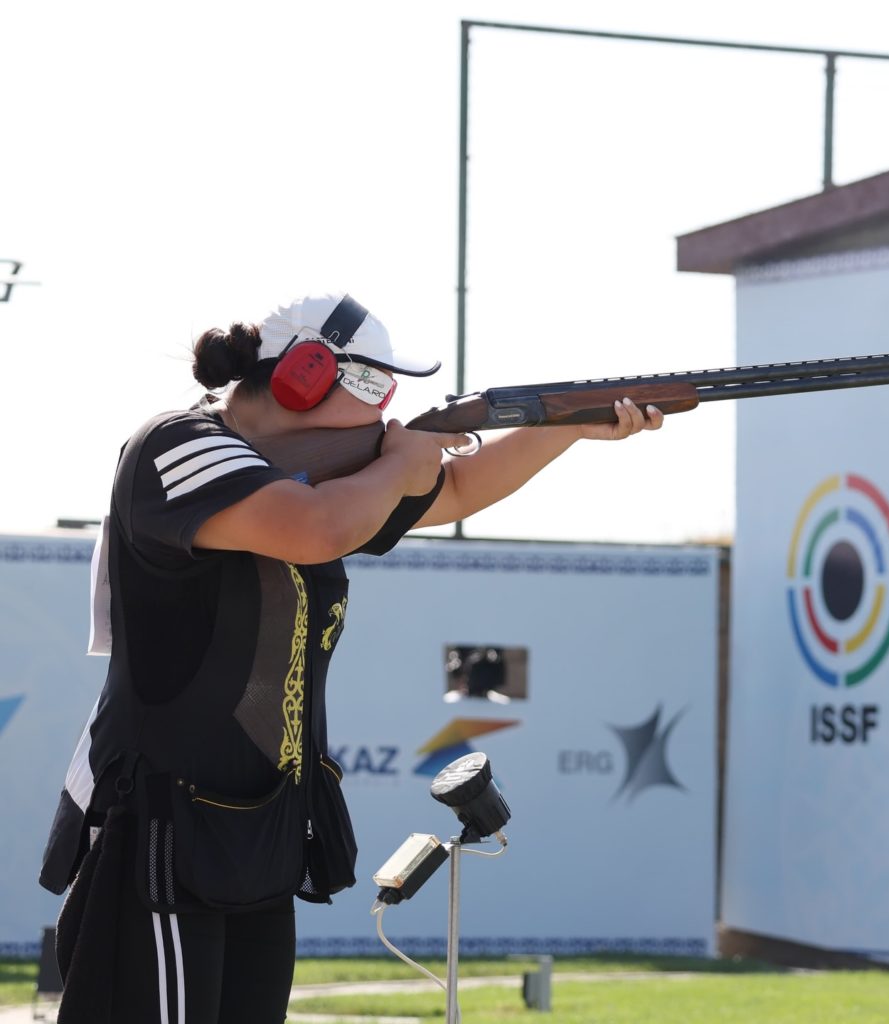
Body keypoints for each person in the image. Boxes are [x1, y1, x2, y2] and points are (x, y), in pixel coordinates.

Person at [38, 291, 663, 1024]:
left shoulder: (332, 476)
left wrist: (569, 424)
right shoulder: (178, 445)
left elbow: (457, 487)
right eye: (371, 383)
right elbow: (316, 531)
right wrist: (399, 466)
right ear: (302, 373)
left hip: (259, 829)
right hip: (162, 831)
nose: (384, 405)